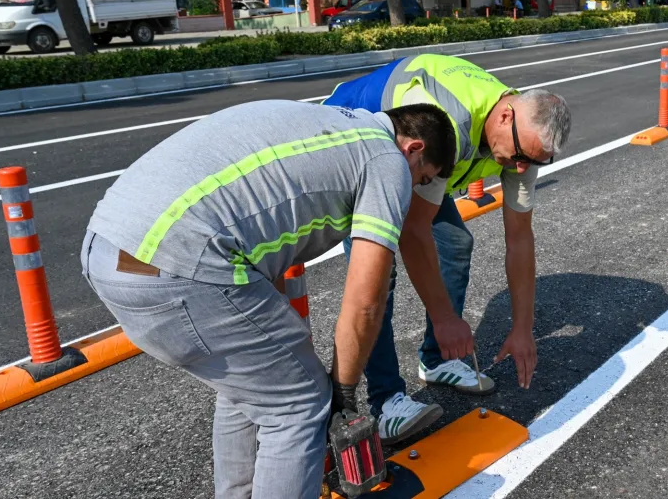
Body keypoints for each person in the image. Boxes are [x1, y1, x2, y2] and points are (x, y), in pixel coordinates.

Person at [82, 100, 456, 499]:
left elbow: (258, 228)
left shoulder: (328, 123)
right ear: (413, 149)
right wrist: (343, 391)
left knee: (258, 384)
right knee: (300, 404)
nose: (414, 187)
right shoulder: (386, 159)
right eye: (422, 178)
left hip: (107, 249)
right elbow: (366, 298)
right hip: (181, 264)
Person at [322, 54, 571, 445]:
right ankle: (385, 402)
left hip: (419, 161)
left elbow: (520, 237)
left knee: (455, 242)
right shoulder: (448, 124)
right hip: (357, 139)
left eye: (536, 162)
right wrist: (444, 317)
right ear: (505, 117)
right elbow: (413, 231)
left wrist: (523, 329)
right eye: (521, 158)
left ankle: (437, 361)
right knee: (375, 275)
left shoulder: (527, 139)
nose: (522, 169)